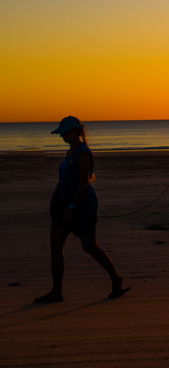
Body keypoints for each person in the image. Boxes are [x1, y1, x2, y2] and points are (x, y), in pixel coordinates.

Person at [35, 117, 128, 303]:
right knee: (56, 245)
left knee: (89, 247)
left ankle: (116, 279)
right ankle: (56, 291)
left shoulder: (83, 153)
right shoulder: (70, 152)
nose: (63, 136)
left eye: (66, 133)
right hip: (63, 204)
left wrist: (71, 207)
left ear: (76, 132)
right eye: (62, 134)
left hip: (80, 206)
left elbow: (83, 183)